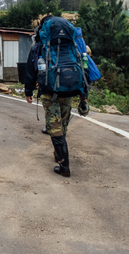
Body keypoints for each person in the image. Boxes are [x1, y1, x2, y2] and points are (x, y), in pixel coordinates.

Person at [23, 16, 87, 178]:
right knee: (63, 126)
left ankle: (64, 165)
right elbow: (83, 68)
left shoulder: (39, 46)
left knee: (55, 128)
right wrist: (83, 96)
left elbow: (31, 69)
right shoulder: (72, 45)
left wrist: (28, 91)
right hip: (69, 88)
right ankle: (59, 155)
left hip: (48, 92)